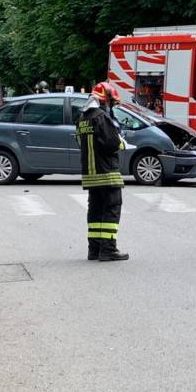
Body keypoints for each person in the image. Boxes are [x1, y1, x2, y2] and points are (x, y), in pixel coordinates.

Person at [77, 81, 128, 261]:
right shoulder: (101, 117)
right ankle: (108, 249)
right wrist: (121, 141)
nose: (111, 106)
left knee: (96, 210)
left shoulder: (83, 118)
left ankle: (94, 249)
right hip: (107, 172)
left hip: (90, 174)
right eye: (110, 102)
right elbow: (111, 144)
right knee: (112, 208)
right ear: (104, 100)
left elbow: (80, 143)